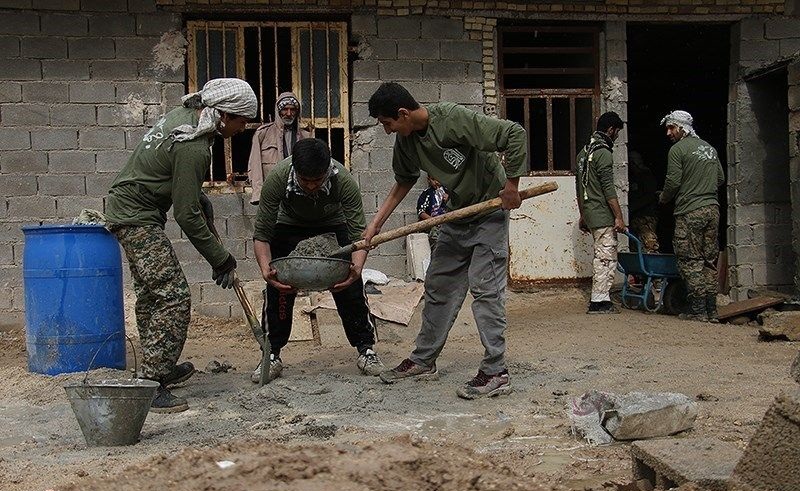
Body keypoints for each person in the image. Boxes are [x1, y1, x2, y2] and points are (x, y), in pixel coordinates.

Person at [365, 82, 527, 400]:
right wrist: (374, 226)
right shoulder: (407, 141)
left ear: (402, 113)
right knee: (438, 287)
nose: (387, 131)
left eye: (387, 124)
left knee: (485, 291)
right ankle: (424, 360)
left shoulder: (452, 119)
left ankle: (496, 371)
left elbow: (513, 134)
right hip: (456, 215)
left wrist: (511, 185)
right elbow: (402, 182)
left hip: (489, 212)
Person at [105, 78, 257, 413]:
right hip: (136, 216)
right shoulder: (195, 145)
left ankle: (157, 366)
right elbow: (186, 215)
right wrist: (221, 258)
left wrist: (200, 197)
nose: (244, 128)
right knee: (173, 296)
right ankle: (151, 382)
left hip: (127, 208)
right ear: (225, 115)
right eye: (243, 121)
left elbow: (175, 181)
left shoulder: (184, 118)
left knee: (151, 294)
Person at [252, 138, 385, 382]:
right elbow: (261, 234)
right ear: (295, 170)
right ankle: (271, 354)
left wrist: (356, 269)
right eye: (306, 181)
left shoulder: (343, 181)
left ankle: (366, 349)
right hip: (288, 224)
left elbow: (358, 234)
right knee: (278, 289)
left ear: (327, 171)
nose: (312, 186)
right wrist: (265, 269)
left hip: (333, 223)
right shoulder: (278, 179)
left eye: (318, 180)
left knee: (350, 286)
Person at [658, 110, 725, 322]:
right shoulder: (709, 149)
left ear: (682, 128)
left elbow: (673, 182)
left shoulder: (677, 150)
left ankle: (697, 311)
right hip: (712, 209)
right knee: (709, 260)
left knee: (690, 260)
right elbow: (720, 178)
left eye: (671, 128)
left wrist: (663, 199)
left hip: (690, 211)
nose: (668, 132)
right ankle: (712, 310)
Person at [576, 112, 626, 314]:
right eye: (617, 133)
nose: (616, 137)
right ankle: (599, 301)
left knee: (600, 254)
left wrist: (583, 214)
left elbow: (579, 188)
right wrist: (619, 216)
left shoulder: (583, 152)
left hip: (590, 212)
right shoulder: (603, 152)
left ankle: (600, 297)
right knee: (605, 256)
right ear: (611, 129)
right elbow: (608, 189)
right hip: (602, 214)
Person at [248, 91, 311, 205]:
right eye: (285, 109)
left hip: (299, 194)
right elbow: (255, 165)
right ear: (278, 111)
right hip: (273, 193)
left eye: (292, 110)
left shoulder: (306, 137)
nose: (288, 113)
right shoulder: (263, 134)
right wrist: (258, 193)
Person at [628, 150, 660, 253]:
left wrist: (631, 207)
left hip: (646, 217)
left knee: (649, 246)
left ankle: (652, 268)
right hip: (635, 218)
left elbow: (650, 196)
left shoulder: (646, 176)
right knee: (635, 248)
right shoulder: (633, 176)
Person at [416, 175, 449, 246]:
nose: (436, 182)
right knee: (435, 234)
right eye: (433, 179)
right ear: (429, 180)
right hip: (433, 223)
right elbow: (421, 212)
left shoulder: (448, 192)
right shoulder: (427, 193)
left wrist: (449, 200)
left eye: (438, 179)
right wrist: (434, 221)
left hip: (447, 221)